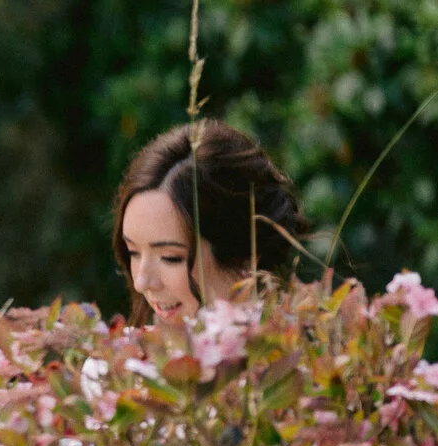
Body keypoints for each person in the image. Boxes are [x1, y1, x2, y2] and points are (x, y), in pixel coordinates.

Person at [113, 119, 314, 325]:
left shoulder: (302, 354)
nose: (141, 282)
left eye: (170, 258)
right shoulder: (123, 352)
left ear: (245, 255)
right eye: (133, 252)